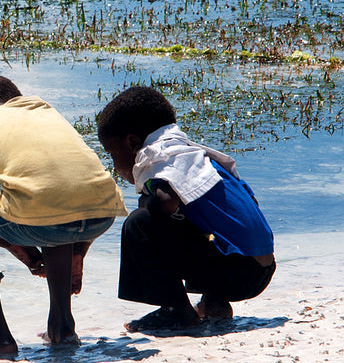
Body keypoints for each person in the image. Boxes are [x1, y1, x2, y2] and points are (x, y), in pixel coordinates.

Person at [0, 76, 126, 355]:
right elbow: (67, 184)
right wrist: (78, 249)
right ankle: (62, 328)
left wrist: (11, 243)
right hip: (103, 215)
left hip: (48, 217)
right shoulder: (43, 110)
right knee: (45, 204)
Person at [95, 85, 275, 331]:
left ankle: (177, 311)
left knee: (139, 223)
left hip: (239, 274)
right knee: (187, 218)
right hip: (261, 269)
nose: (114, 164)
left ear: (132, 142)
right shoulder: (193, 155)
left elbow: (165, 203)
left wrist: (147, 202)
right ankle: (215, 301)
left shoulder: (159, 157)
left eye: (111, 154)